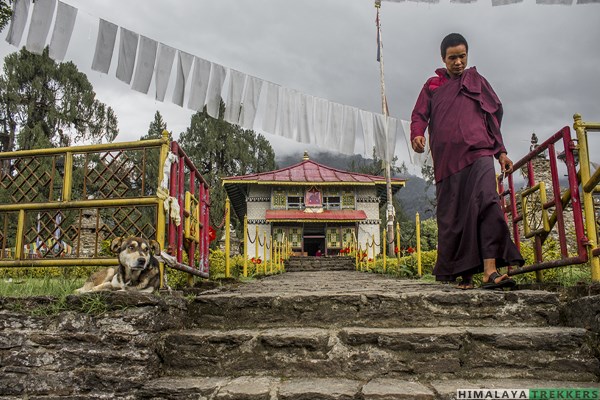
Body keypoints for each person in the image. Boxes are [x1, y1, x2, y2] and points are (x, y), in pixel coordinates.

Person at [410, 33, 524, 290]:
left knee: (488, 202)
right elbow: (419, 115)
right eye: (453, 58)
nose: (459, 62)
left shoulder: (477, 81)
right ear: (443, 59)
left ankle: (490, 270)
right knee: (455, 215)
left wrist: (501, 152)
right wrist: (417, 133)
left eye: (462, 56)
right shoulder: (433, 85)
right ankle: (465, 274)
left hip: (480, 152)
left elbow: (492, 116)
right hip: (447, 161)